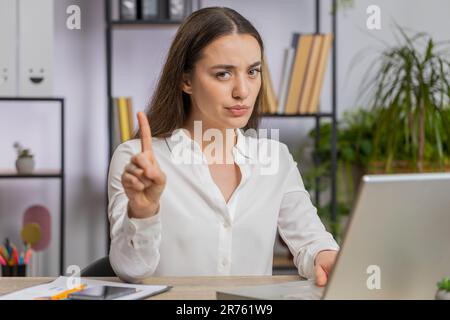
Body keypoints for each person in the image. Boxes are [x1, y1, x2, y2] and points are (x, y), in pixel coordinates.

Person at [108, 7, 339, 284]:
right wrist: (143, 212)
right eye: (223, 74)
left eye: (253, 71)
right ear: (186, 80)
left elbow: (311, 242)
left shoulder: (274, 158)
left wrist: (324, 256)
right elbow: (130, 270)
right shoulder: (137, 160)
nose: (242, 90)